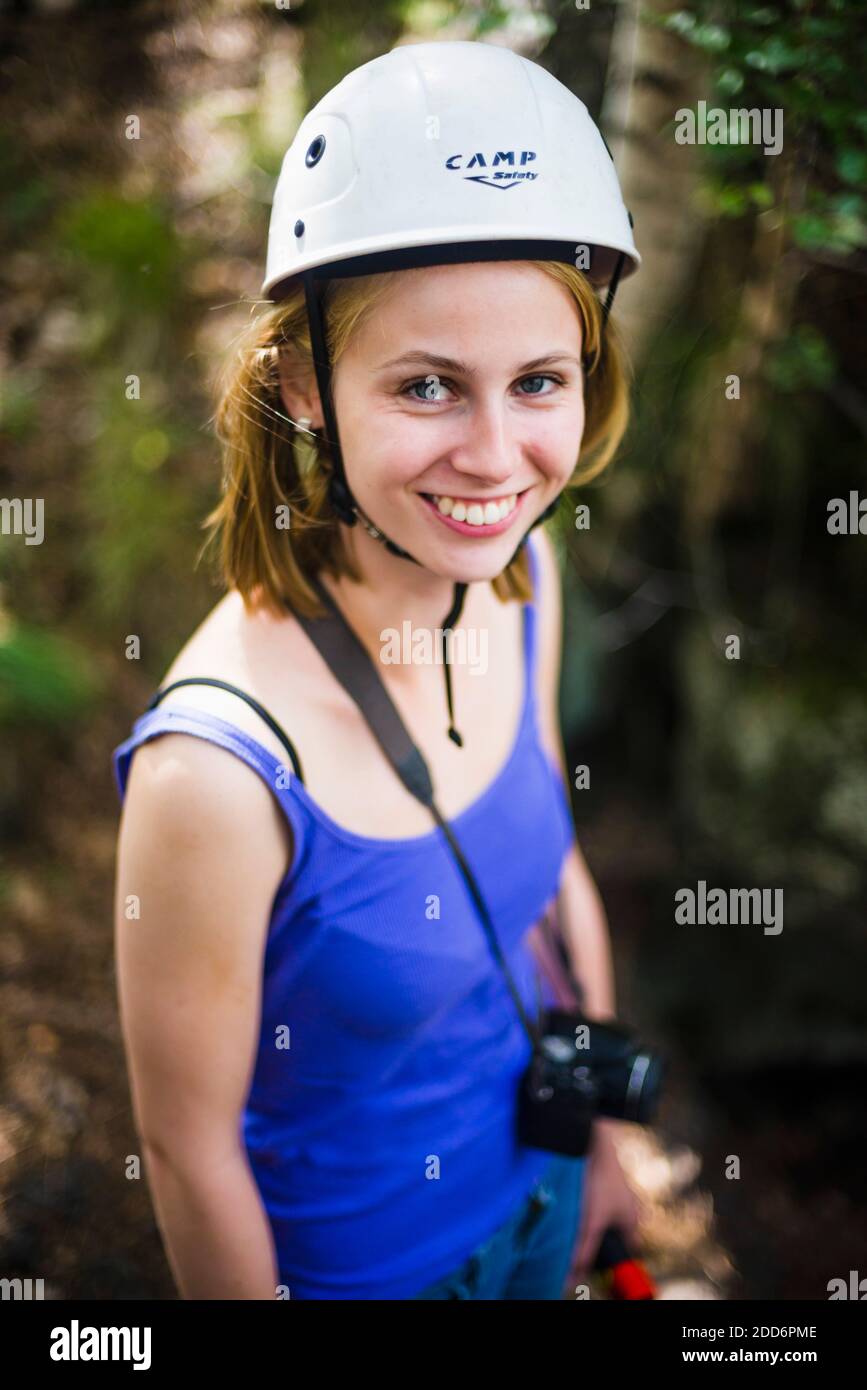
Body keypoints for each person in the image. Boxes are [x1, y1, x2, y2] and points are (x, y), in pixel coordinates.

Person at [112, 38, 643, 1301]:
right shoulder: (219, 776)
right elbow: (187, 1153)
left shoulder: (521, 583)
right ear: (304, 380)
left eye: (539, 381)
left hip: (543, 1187)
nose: (498, 457)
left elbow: (550, 865)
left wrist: (605, 1141)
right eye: (427, 386)